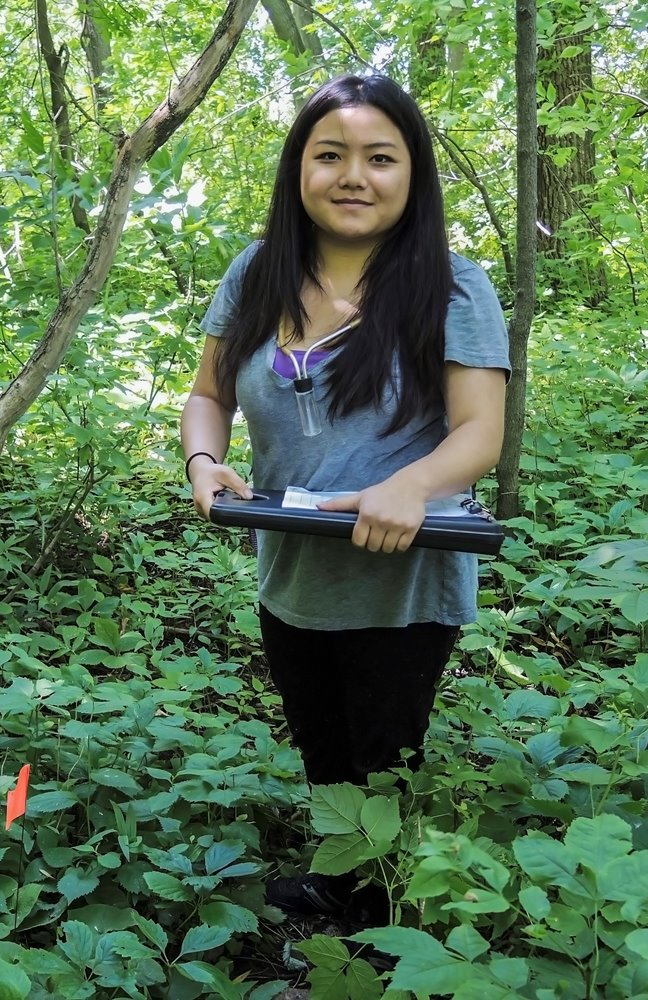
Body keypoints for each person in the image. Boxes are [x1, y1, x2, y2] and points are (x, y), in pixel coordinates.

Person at [179, 74, 510, 918]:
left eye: (379, 158)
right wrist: (203, 459)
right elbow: (208, 393)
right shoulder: (258, 273)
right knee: (322, 748)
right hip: (289, 565)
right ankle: (342, 885)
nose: (353, 175)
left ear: (412, 175)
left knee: (382, 758)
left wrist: (408, 486)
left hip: (402, 580)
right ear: (300, 170)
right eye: (330, 155)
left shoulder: (454, 287)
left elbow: (479, 432)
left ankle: (378, 923)